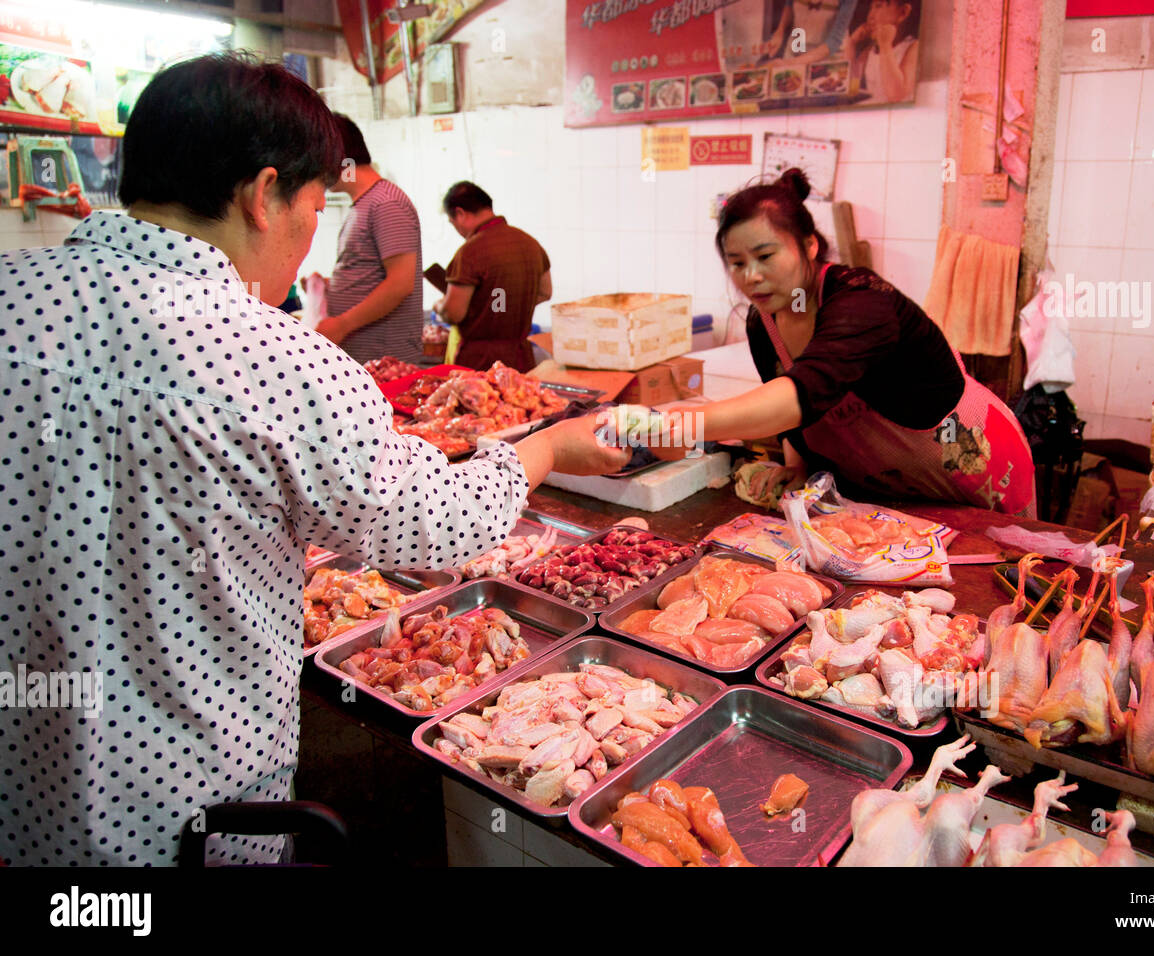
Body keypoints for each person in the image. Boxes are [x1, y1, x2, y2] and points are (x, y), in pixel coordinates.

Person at [0, 53, 627, 867]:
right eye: (311, 207)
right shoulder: (277, 359)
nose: (309, 238)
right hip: (197, 816)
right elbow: (426, 525)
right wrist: (541, 449)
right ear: (264, 196)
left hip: (28, 788)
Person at [656, 168, 1036, 517]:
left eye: (765, 256)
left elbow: (801, 393)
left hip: (973, 470)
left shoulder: (863, 301)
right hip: (891, 492)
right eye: (736, 263)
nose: (751, 276)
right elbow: (790, 413)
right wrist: (796, 467)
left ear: (808, 246)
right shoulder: (763, 323)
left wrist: (672, 424)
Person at [313, 114, 424, 364]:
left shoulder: (386, 203)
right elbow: (370, 273)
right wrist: (330, 286)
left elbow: (400, 284)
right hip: (365, 354)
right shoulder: (364, 203)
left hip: (384, 357)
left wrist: (342, 324)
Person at [437, 181, 551, 372]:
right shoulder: (530, 243)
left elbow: (454, 313)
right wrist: (506, 309)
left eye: (453, 223)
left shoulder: (470, 252)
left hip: (480, 364)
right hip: (520, 359)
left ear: (460, 214)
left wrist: (440, 306)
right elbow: (545, 292)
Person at [848, 0, 919, 103]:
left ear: (903, 12)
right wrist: (851, 44)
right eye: (870, 8)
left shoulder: (913, 47)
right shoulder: (870, 51)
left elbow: (896, 96)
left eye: (878, 6)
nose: (870, 16)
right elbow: (852, 86)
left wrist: (885, 46)